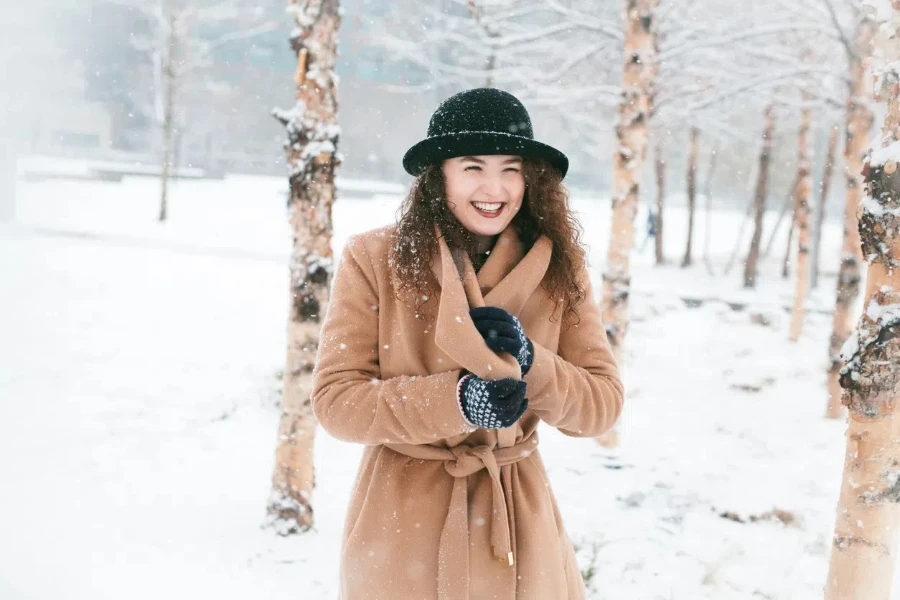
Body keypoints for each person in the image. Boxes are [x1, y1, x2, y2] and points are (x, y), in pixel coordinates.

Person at [311, 87, 624, 600]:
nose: (494, 188)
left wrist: (532, 362)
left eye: (510, 168)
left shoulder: (559, 269)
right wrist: (456, 401)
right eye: (472, 167)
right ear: (441, 176)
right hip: (401, 522)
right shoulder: (374, 259)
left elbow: (601, 408)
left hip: (517, 523)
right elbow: (337, 404)